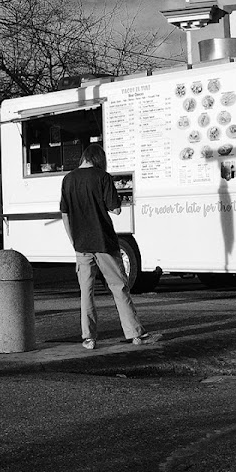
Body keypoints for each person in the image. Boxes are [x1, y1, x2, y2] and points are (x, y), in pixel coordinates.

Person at [59, 143, 153, 349]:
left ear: (84, 157)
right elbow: (116, 209)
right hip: (104, 242)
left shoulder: (68, 179)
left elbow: (64, 214)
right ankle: (134, 333)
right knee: (119, 287)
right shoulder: (103, 177)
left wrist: (73, 240)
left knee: (86, 291)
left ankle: (89, 338)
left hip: (81, 244)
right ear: (100, 159)